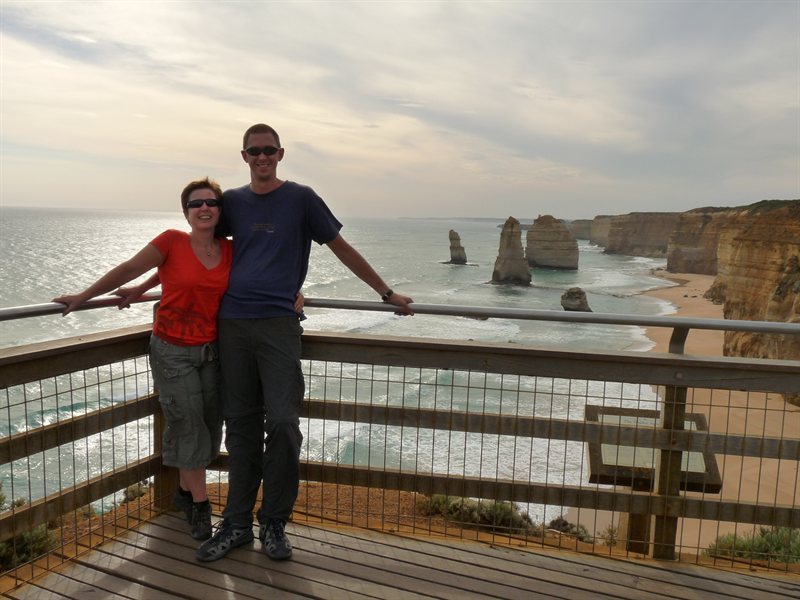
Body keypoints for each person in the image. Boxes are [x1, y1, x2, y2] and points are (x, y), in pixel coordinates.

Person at [195, 123, 414, 563]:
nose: (262, 157)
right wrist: (147, 287)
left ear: (280, 154)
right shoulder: (231, 202)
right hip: (232, 323)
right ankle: (236, 524)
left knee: (282, 423)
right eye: (254, 150)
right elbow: (200, 247)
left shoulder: (301, 198)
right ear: (244, 156)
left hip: (278, 325)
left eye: (269, 150)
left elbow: (341, 247)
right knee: (240, 427)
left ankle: (274, 522)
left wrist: (386, 292)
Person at [53, 178, 233, 542]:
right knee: (189, 426)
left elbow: (247, 274)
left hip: (211, 352)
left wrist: (293, 292)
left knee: (211, 425)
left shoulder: (230, 250)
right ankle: (201, 507)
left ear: (219, 210)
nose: (204, 208)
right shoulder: (170, 240)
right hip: (172, 351)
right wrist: (84, 297)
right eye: (196, 203)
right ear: (185, 212)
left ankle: (182, 493)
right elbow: (128, 268)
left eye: (211, 202)